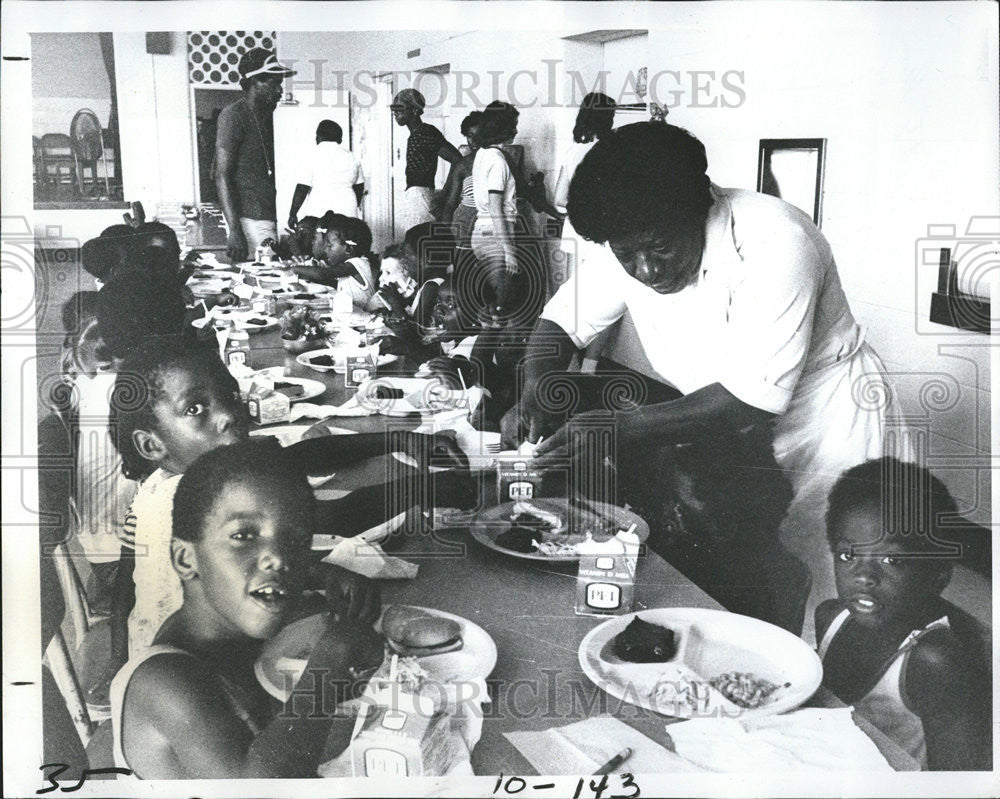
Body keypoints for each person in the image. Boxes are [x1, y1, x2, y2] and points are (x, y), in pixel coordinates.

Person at [506, 122, 910, 627]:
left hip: (827, 423)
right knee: (756, 572)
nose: (647, 270)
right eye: (628, 256)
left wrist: (610, 426)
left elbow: (748, 400)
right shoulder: (634, 237)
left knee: (837, 585)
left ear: (698, 208)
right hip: (725, 419)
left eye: (659, 249)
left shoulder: (775, 240)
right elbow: (559, 324)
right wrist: (538, 384)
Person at [106, 337, 470, 659]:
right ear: (151, 444)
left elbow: (124, 586)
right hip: (206, 661)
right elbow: (334, 516)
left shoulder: (154, 486)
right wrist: (424, 488)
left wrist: (398, 440)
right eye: (195, 409)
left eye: (229, 397)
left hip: (162, 646)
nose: (228, 416)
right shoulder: (206, 494)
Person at [109, 438, 386, 778]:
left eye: (297, 541)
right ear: (185, 558)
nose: (279, 558)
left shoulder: (232, 622)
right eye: (243, 536)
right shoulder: (165, 682)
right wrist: (331, 658)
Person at [816, 457, 991, 770]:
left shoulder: (935, 660)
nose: (863, 576)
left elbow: (958, 782)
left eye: (892, 561)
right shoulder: (830, 618)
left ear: (938, 575)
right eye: (847, 555)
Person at [215, 48, 296, 262]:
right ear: (255, 82)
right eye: (274, 83)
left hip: (269, 218)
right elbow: (221, 175)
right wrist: (234, 230)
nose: (279, 90)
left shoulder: (270, 117)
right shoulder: (233, 115)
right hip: (248, 222)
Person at [552, 92, 616, 290]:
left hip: (575, 226)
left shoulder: (574, 150)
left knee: (572, 293)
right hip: (600, 228)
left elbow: (559, 199)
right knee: (600, 293)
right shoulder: (609, 150)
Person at [391, 88, 462, 230]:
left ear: (415, 111)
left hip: (421, 195)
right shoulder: (416, 134)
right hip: (415, 194)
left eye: (400, 109)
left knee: (418, 243)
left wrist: (443, 194)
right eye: (394, 109)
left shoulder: (426, 132)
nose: (396, 113)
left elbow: (457, 160)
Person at [292, 212, 378, 309]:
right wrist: (310, 275)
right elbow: (332, 282)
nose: (325, 250)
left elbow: (322, 274)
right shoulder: (348, 266)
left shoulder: (357, 264)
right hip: (352, 316)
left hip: (364, 317)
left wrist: (294, 269)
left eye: (330, 246)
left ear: (349, 249)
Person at [287, 119, 365, 226]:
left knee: (319, 240)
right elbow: (359, 186)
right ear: (340, 139)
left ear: (318, 137)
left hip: (318, 209)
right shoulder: (352, 157)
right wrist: (354, 205)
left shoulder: (311, 156)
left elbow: (302, 187)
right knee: (344, 239)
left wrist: (293, 214)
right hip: (347, 209)